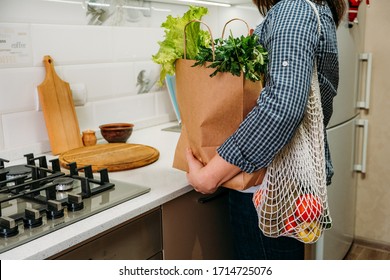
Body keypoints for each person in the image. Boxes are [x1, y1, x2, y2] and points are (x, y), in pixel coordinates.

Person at [185, 0, 346, 260]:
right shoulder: (313, 9)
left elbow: (281, 108)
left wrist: (209, 176)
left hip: (266, 186)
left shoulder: (294, 8)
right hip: (286, 182)